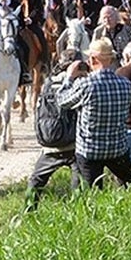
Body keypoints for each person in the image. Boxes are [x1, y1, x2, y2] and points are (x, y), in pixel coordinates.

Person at [57, 37, 131, 190]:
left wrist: (69, 77)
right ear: (111, 59)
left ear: (92, 59)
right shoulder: (126, 84)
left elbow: (62, 100)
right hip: (118, 148)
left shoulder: (86, 84)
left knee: (89, 195)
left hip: (90, 151)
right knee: (130, 185)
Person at [24, 51, 81, 211]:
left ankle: (27, 213)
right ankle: (79, 212)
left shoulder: (48, 82)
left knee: (35, 180)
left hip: (50, 145)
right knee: (81, 183)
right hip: (75, 145)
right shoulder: (81, 82)